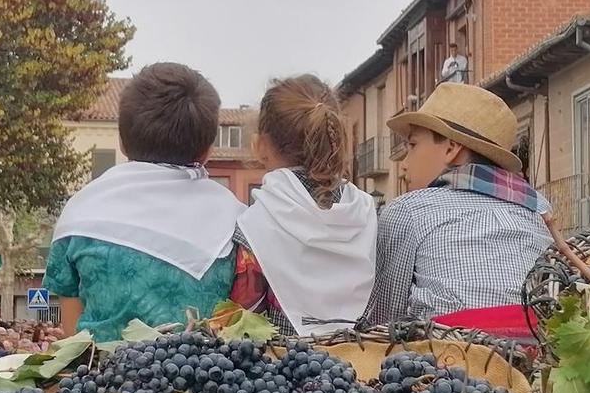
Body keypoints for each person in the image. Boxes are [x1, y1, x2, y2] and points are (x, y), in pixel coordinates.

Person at [45, 63, 243, 341]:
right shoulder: (238, 222)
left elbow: (72, 333)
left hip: (100, 379)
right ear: (208, 150)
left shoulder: (80, 212)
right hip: (207, 378)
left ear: (123, 143)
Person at [365, 82, 553, 326]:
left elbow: (385, 318)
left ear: (451, 149)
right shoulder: (539, 208)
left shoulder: (409, 209)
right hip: (532, 347)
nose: (404, 164)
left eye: (412, 145)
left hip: (447, 352)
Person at [229, 75, 378, 336]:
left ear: (261, 145)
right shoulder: (369, 212)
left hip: (281, 370)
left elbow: (243, 325)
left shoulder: (254, 225)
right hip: (364, 368)